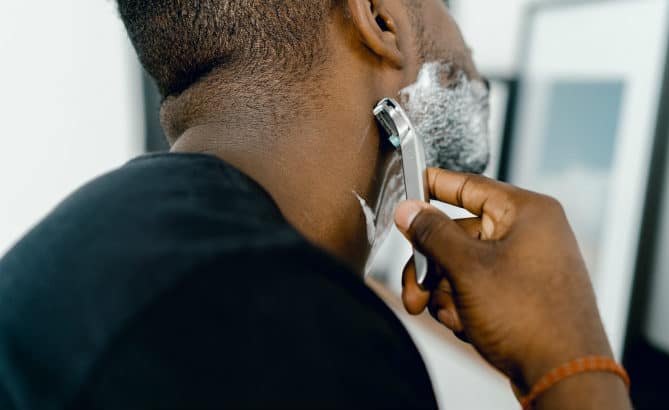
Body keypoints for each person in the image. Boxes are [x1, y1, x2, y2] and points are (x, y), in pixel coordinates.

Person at [0, 1, 632, 409]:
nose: (466, 42)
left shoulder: (118, 238)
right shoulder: (287, 335)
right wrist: (575, 365)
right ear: (382, 21)